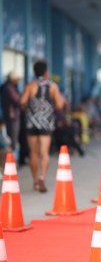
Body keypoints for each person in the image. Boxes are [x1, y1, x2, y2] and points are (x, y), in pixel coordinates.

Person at [20, 60, 64, 193]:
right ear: (46, 72)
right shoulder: (53, 86)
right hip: (46, 123)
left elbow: (22, 101)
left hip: (32, 122)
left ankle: (35, 181)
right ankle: (42, 177)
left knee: (33, 153)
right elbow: (60, 105)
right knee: (44, 152)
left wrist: (30, 109)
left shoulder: (30, 85)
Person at [0, 70, 22, 157]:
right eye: (17, 79)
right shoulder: (9, 89)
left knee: (12, 139)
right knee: (12, 140)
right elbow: (17, 101)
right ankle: (11, 159)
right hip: (12, 117)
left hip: (10, 117)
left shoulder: (8, 87)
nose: (18, 81)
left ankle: (11, 159)